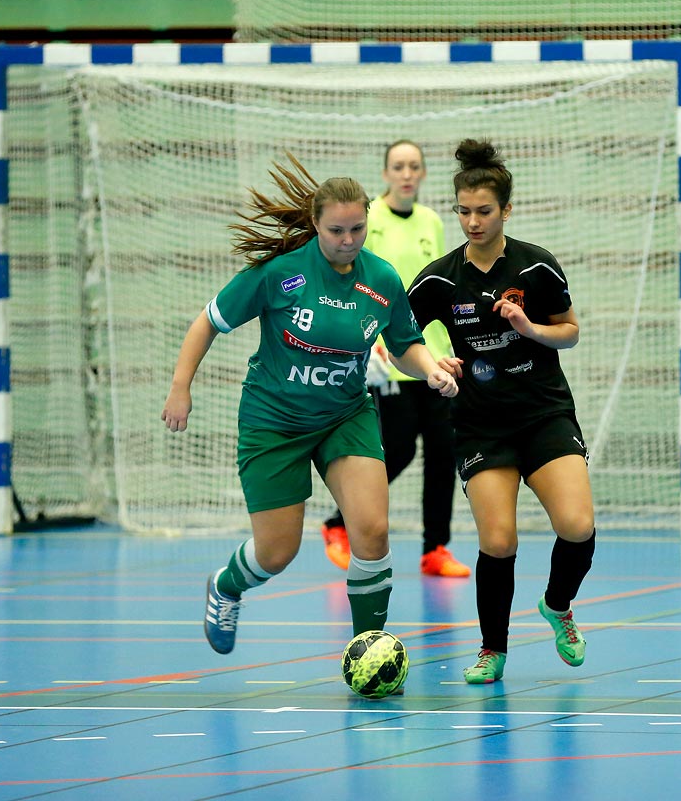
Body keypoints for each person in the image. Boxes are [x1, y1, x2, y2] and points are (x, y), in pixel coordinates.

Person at [161, 152, 458, 656]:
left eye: (357, 230)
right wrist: (180, 387)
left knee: (372, 528)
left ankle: (369, 645)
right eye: (337, 231)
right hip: (274, 421)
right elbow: (207, 322)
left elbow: (406, 343)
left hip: (345, 415)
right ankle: (226, 586)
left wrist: (428, 367)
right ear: (316, 225)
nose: (348, 241)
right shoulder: (279, 274)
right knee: (278, 552)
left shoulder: (381, 279)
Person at [407, 139, 596, 684]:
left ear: (506, 210)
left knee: (578, 526)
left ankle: (558, 606)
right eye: (463, 211)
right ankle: (494, 649)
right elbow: (399, 338)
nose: (472, 221)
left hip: (543, 414)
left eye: (483, 211)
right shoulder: (439, 279)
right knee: (498, 541)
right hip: (481, 423)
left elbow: (571, 331)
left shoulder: (537, 266)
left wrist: (530, 329)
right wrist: (431, 364)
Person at [321, 140, 471, 580]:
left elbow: (441, 289)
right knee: (399, 448)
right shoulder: (368, 222)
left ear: (423, 174)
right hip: (386, 358)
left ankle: (436, 549)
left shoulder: (430, 221)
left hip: (433, 356)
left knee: (445, 452)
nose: (407, 174)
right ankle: (338, 522)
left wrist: (452, 349)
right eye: (398, 166)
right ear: (386, 173)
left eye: (414, 167)